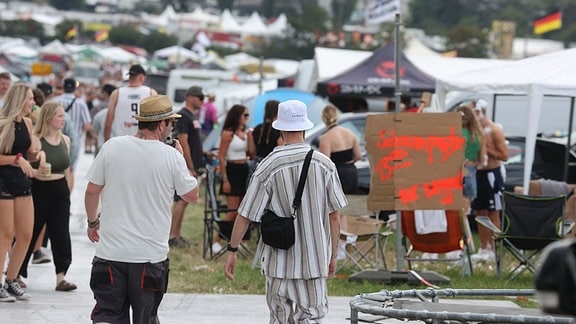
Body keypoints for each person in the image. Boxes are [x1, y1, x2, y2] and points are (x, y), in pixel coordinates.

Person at [224, 99, 347, 323]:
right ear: (305, 126)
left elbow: (246, 214)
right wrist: (333, 255)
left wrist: (232, 250)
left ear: (279, 127)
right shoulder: (324, 164)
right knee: (312, 317)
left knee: (280, 318)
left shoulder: (269, 165)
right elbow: (335, 214)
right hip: (314, 261)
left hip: (278, 262)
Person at [84, 95, 199, 323]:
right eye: (171, 123)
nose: (171, 128)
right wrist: (181, 159)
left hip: (111, 252)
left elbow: (91, 191)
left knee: (107, 313)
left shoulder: (112, 146)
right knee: (146, 317)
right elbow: (192, 195)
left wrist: (92, 222)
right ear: (161, 124)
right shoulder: (171, 157)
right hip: (149, 255)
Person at [18, 101, 76, 291]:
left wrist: (68, 191)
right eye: (60, 116)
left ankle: (61, 277)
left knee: (61, 234)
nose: (63, 119)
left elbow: (67, 169)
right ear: (49, 118)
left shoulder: (65, 140)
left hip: (60, 190)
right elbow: (25, 163)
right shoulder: (35, 139)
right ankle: (16, 273)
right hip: (38, 189)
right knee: (29, 232)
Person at [0, 84, 45, 301]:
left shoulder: (27, 123)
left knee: (26, 234)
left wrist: (39, 155)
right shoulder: (3, 123)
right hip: (3, 181)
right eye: (29, 99)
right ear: (19, 100)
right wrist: (18, 160)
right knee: (5, 234)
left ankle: (11, 279)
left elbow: (29, 152)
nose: (33, 103)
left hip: (22, 181)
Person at [472, 99, 509, 261]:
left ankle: (494, 247)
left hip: (493, 174)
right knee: (480, 211)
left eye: (476, 112)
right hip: (479, 173)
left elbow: (504, 155)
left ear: (482, 112)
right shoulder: (476, 130)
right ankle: (484, 247)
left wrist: (487, 150)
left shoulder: (495, 130)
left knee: (493, 212)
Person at [169, 86, 206, 248]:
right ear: (190, 97)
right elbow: (183, 141)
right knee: (181, 200)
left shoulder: (192, 116)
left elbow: (194, 141)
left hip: (193, 164)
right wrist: (189, 165)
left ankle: (177, 233)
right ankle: (172, 235)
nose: (202, 101)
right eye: (200, 97)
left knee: (183, 201)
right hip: (186, 164)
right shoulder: (184, 115)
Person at [215, 104, 252, 252]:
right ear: (237, 116)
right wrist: (225, 179)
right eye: (245, 115)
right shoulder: (228, 133)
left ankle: (237, 240)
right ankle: (217, 239)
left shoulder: (245, 132)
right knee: (232, 211)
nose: (247, 118)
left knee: (242, 210)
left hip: (243, 169)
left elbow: (251, 152)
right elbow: (221, 156)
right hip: (232, 170)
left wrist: (251, 139)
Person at [104, 64, 157, 141]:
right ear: (142, 77)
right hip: (143, 141)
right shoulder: (151, 93)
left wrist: (106, 141)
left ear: (129, 77)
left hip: (121, 141)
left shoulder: (117, 93)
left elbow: (108, 123)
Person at [318, 104, 362, 194]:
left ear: (323, 118)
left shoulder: (325, 138)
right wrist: (350, 162)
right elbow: (358, 156)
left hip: (338, 174)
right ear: (337, 116)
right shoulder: (350, 133)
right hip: (352, 172)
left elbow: (325, 162)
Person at [455, 105, 486, 217]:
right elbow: (482, 159)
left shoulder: (455, 132)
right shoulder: (478, 134)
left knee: (454, 203)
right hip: (471, 169)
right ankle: (465, 230)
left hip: (456, 169)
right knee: (467, 202)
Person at [90, 84, 116, 155]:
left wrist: (96, 138)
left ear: (105, 93)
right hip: (117, 145)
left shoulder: (98, 107)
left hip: (101, 143)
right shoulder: (119, 107)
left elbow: (92, 125)